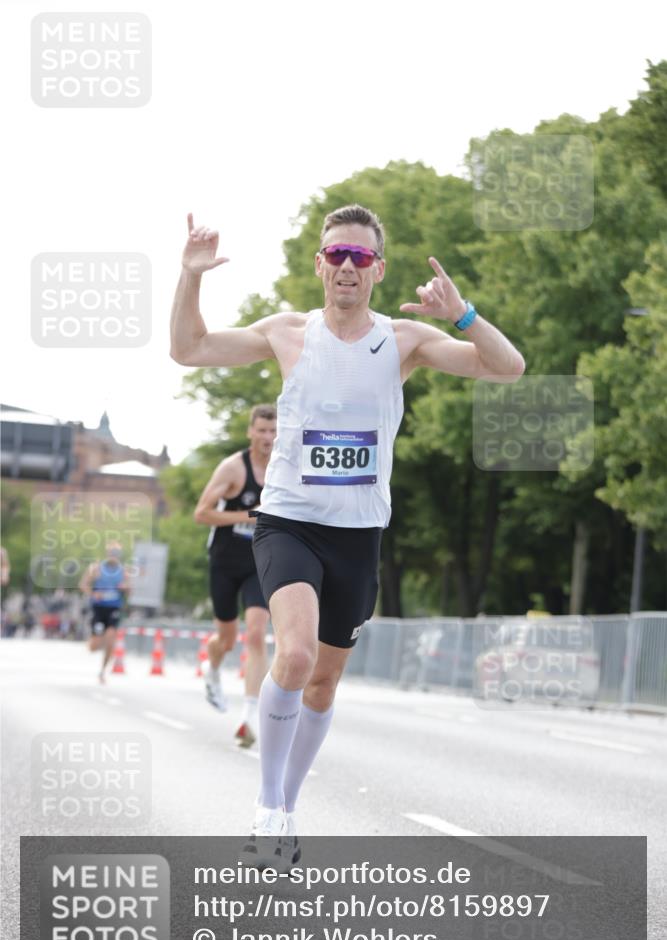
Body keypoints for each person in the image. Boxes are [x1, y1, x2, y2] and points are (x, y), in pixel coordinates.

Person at [170, 204, 525, 866]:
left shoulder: (402, 341)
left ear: (377, 271)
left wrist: (463, 316)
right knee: (295, 655)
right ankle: (266, 807)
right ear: (319, 263)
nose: (345, 267)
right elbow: (187, 350)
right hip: (288, 524)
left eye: (358, 258)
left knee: (324, 683)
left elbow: (507, 368)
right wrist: (190, 276)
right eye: (335, 255)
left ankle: (289, 804)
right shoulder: (288, 333)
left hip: (358, 536)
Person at [193, 404, 277, 747]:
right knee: (225, 639)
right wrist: (247, 515)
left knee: (256, 634)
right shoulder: (232, 468)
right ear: (250, 432)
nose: (268, 438)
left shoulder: (285, 468)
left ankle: (249, 716)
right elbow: (201, 514)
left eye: (274, 431)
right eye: (261, 431)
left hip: (261, 563)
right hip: (226, 562)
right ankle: (212, 669)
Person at [79, 541, 129, 684]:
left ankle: (102, 671)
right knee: (95, 645)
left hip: (114, 608)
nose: (114, 556)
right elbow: (83, 585)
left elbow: (130, 589)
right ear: (107, 553)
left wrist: (125, 587)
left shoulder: (124, 571)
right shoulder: (96, 568)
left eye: (117, 553)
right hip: (99, 608)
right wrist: (94, 594)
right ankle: (92, 642)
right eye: (112, 553)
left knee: (111, 639)